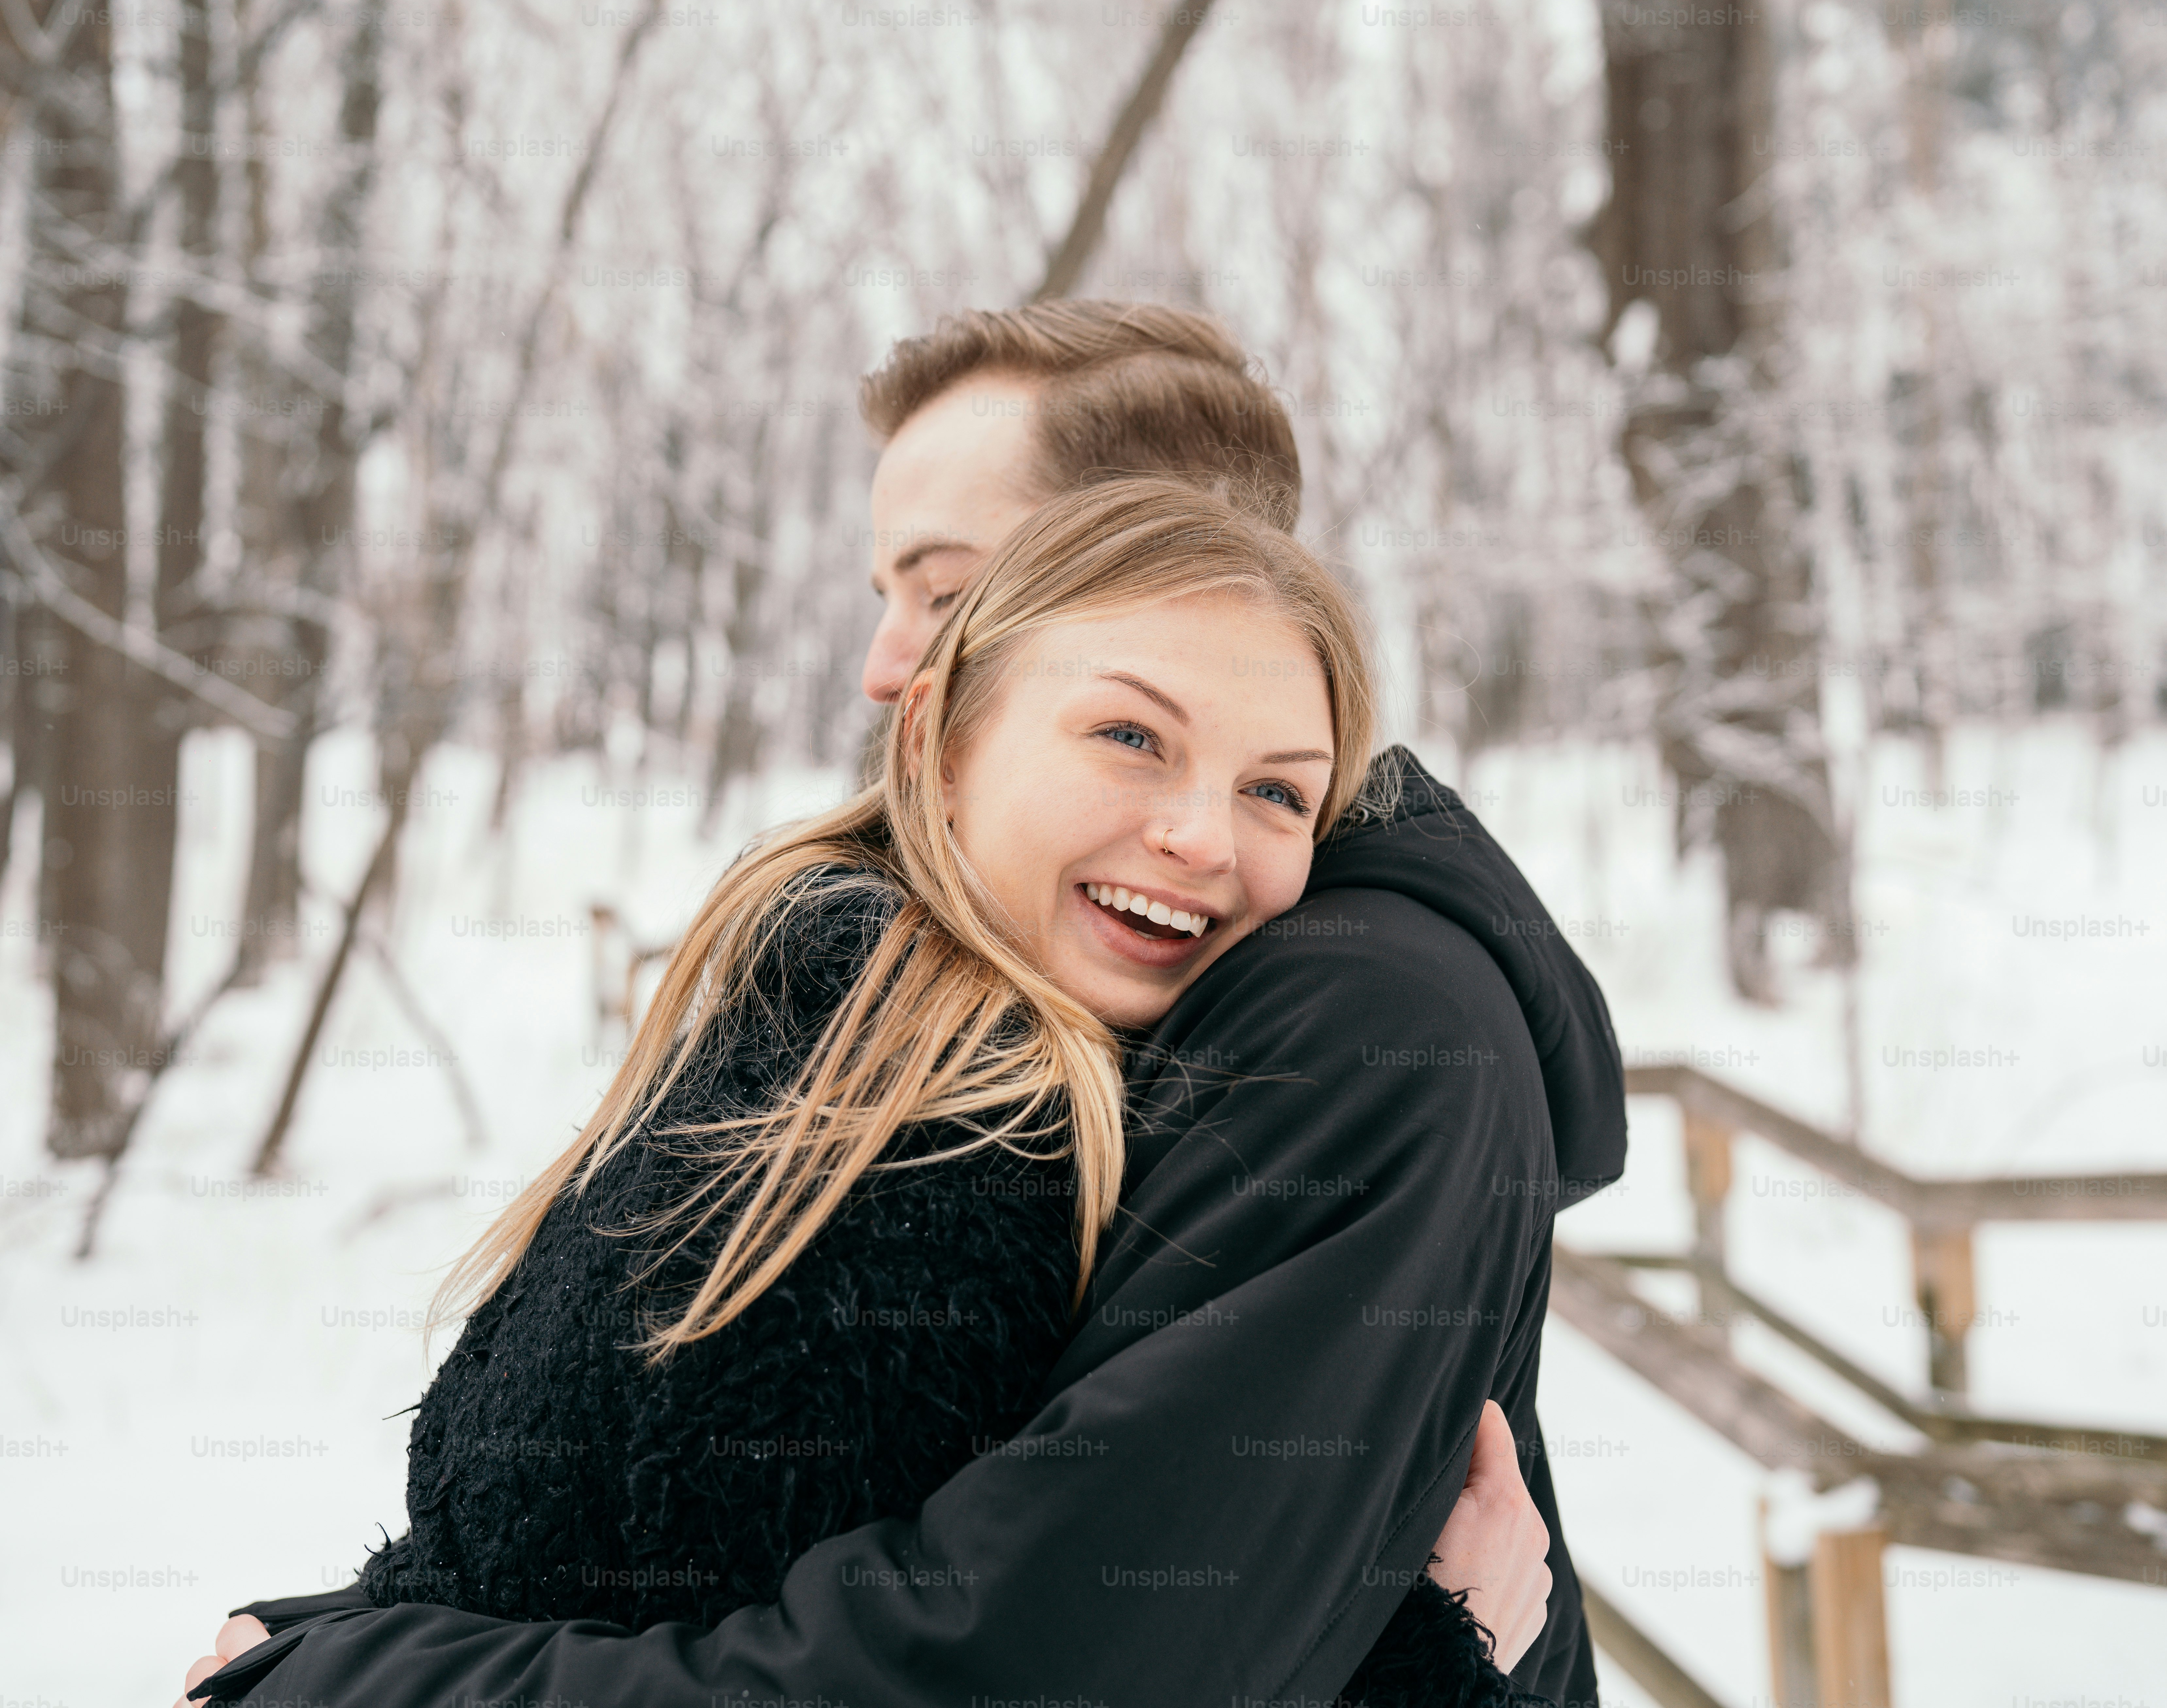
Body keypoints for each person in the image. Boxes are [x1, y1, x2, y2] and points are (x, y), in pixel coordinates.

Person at [184, 305, 1624, 1708]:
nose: (887, 665)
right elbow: (756, 1534)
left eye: (944, 593)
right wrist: (365, 1629)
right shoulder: (925, 1000)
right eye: (894, 598)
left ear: (1175, 562)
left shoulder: (1349, 1016)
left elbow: (1067, 1648)